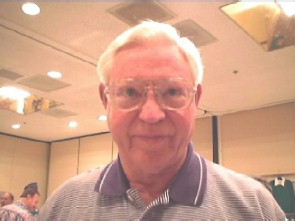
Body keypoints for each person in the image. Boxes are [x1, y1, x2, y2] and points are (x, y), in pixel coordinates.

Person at [39, 21, 285, 220]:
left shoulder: (254, 207)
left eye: (173, 91)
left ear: (196, 98)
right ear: (106, 100)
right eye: (129, 92)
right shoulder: (63, 206)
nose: (151, 115)